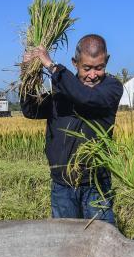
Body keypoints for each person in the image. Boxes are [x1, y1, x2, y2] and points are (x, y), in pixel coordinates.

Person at [21, 34, 123, 225]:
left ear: (107, 61)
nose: (93, 75)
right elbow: (30, 110)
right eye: (87, 68)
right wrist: (27, 73)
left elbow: (86, 97)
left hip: (96, 185)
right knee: (65, 243)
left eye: (99, 67)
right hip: (62, 186)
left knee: (102, 240)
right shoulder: (61, 91)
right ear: (75, 63)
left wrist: (52, 66)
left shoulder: (112, 88)